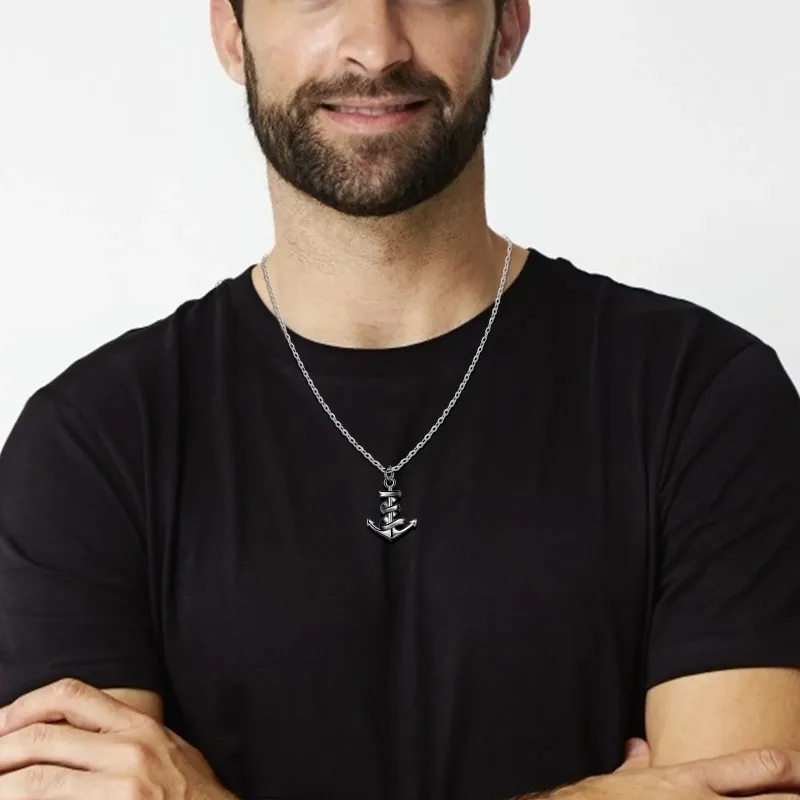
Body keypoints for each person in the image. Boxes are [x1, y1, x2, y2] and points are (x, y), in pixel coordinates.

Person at [1, 0, 799, 798]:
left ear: (507, 28)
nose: (375, 47)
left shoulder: (705, 398)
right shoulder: (90, 442)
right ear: (232, 35)